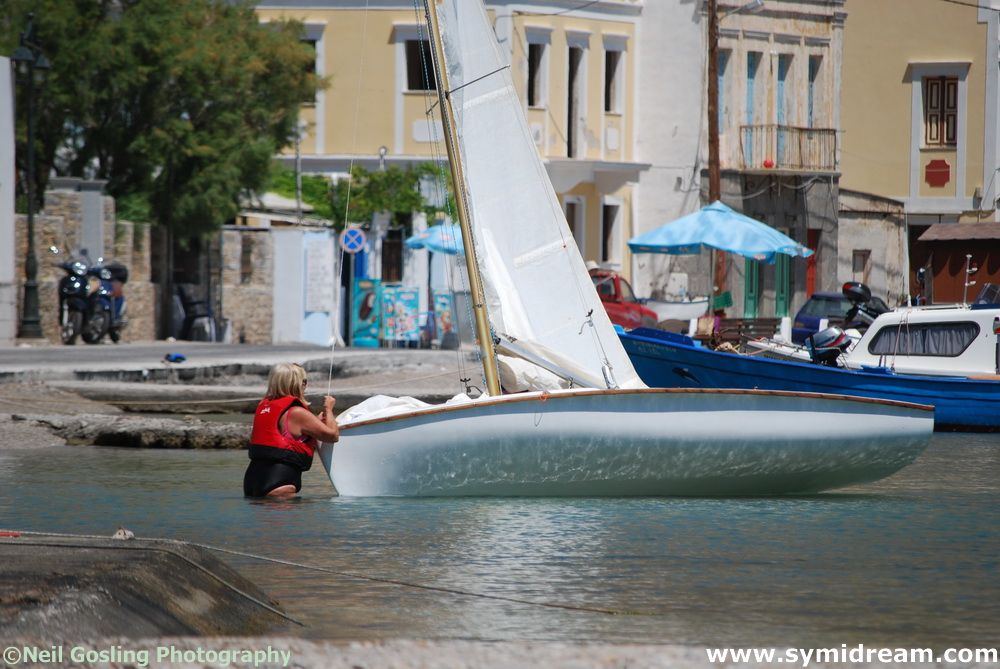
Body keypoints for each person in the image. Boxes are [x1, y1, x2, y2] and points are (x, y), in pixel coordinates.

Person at [243, 363, 340, 498]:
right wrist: (328, 408)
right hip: (279, 481)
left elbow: (289, 431)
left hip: (251, 480)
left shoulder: (264, 407)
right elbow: (333, 436)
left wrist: (317, 421)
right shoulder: (297, 412)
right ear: (299, 383)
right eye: (304, 381)